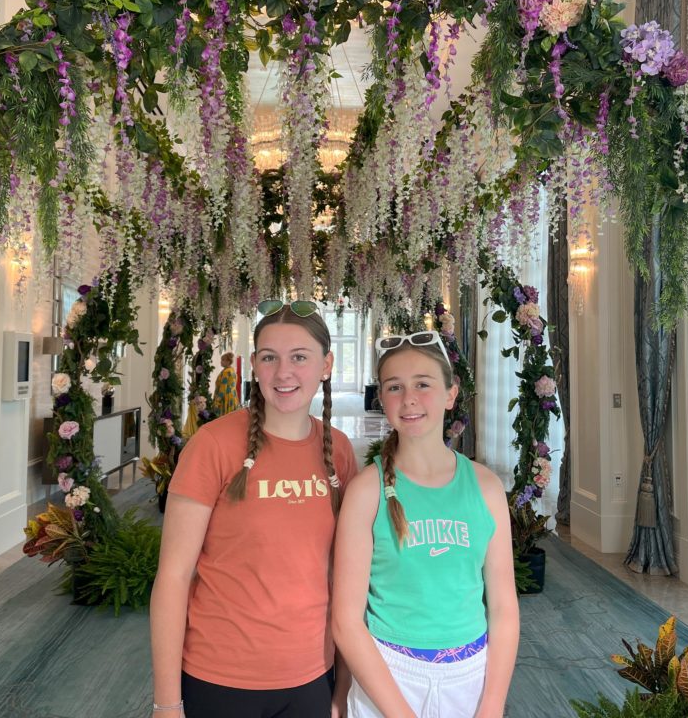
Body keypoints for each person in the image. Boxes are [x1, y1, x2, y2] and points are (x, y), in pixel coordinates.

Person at [150, 300, 358, 717]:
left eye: (299, 357)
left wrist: (344, 686)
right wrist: (166, 703)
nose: (283, 372)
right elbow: (173, 577)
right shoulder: (213, 445)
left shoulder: (338, 450)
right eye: (269, 357)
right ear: (255, 365)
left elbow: (345, 577)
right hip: (220, 677)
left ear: (326, 365)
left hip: (313, 674)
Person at [332, 331, 519, 718]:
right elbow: (347, 620)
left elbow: (503, 608)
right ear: (381, 399)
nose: (409, 398)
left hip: (470, 677)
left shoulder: (486, 488)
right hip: (388, 676)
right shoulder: (367, 491)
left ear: (451, 394)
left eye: (423, 384)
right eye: (394, 387)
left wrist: (493, 703)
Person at [212, 351, 240, 416]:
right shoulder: (232, 370)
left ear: (228, 361)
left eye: (223, 360)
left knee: (225, 419)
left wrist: (217, 402)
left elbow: (223, 389)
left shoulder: (226, 372)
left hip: (226, 399)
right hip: (233, 398)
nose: (221, 362)